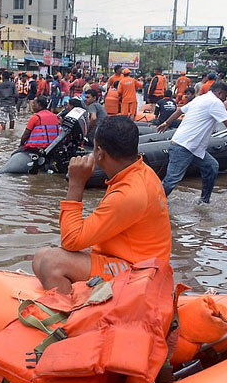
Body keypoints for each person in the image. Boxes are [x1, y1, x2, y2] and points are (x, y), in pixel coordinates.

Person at [31, 116, 172, 293]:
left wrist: (76, 184)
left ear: (99, 152)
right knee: (40, 257)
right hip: (137, 262)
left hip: (142, 274)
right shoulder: (141, 171)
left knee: (52, 262)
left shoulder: (128, 193)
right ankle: (81, 299)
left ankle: (73, 317)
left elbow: (70, 241)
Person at [158, 81, 227, 204]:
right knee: (172, 180)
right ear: (220, 93)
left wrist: (167, 123)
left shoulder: (200, 98)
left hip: (193, 147)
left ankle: (204, 201)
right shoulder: (215, 102)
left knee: (211, 167)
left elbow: (180, 111)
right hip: (184, 146)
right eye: (225, 96)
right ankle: (154, 203)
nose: (226, 99)